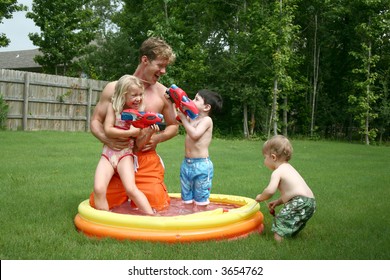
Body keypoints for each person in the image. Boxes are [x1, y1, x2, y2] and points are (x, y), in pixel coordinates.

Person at [89, 37, 178, 211]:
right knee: (100, 201)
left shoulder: (163, 93)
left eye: (165, 66)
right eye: (160, 65)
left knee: (157, 205)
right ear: (145, 60)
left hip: (145, 159)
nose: (164, 71)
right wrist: (106, 139)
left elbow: (174, 126)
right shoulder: (114, 89)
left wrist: (158, 138)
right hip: (117, 156)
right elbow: (95, 121)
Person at [93, 75, 157, 214]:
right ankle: (105, 221)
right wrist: (129, 132)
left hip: (125, 154)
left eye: (140, 94)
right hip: (108, 154)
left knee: (131, 189)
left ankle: (152, 218)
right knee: (99, 189)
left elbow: (138, 137)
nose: (138, 98)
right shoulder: (113, 107)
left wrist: (148, 132)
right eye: (134, 95)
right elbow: (108, 129)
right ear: (123, 94)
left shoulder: (139, 112)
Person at [255, 135, 316, 241]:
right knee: (292, 220)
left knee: (280, 221)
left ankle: (278, 243)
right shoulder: (289, 168)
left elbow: (270, 191)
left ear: (273, 157)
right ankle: (290, 236)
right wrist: (278, 202)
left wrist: (261, 197)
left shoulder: (277, 172)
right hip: (310, 202)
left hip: (299, 201)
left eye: (265, 157)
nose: (264, 160)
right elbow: (292, 192)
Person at [176, 89, 223, 211]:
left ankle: (202, 221)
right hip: (187, 164)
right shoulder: (192, 117)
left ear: (207, 107)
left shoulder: (207, 120)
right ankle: (188, 219)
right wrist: (171, 101)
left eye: (196, 99)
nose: (192, 100)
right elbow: (174, 118)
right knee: (187, 199)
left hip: (201, 165)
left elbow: (195, 134)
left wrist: (184, 119)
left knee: (201, 200)